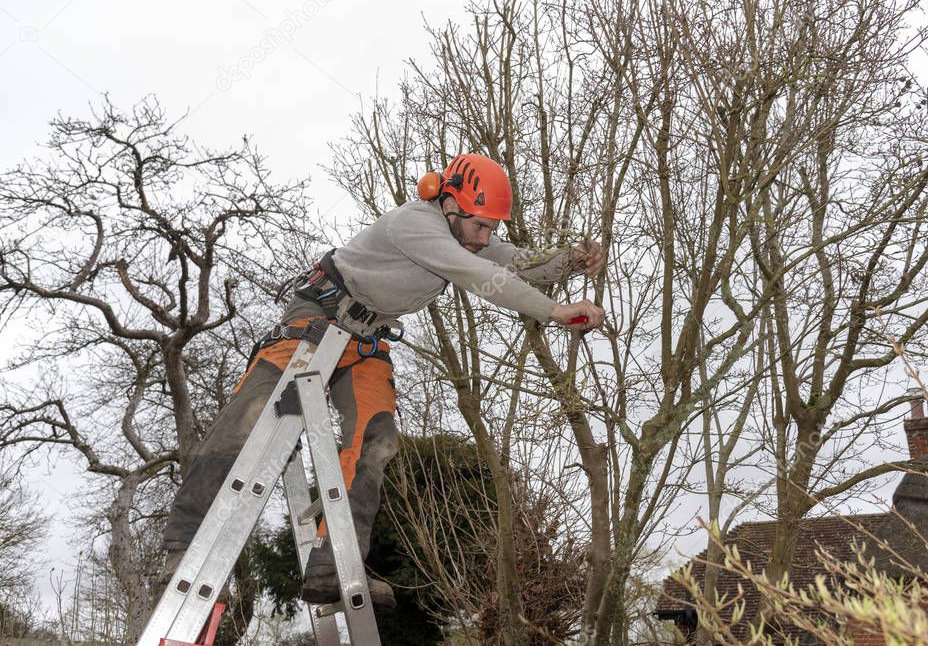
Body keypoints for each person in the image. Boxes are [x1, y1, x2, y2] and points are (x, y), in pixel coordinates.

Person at [159, 153, 606, 610]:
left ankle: (333, 564)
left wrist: (571, 259)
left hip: (366, 341)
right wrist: (553, 310)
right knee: (249, 419)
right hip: (316, 319)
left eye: (492, 228)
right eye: (480, 226)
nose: (486, 237)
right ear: (450, 204)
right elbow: (482, 276)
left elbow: (516, 262)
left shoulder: (465, 238)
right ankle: (184, 547)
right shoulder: (415, 224)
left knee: (377, 439)